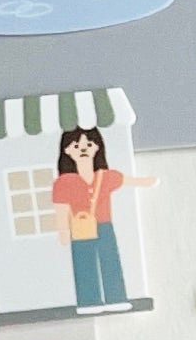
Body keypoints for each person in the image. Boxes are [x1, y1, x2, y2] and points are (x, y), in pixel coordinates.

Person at [49, 125, 139, 311]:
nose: (83, 149)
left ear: (98, 147)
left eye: (88, 144)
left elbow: (130, 181)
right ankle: (89, 301)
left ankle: (116, 298)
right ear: (66, 150)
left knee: (110, 260)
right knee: (84, 263)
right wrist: (63, 231)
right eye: (76, 146)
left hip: (105, 226)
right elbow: (61, 209)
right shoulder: (64, 182)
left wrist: (149, 181)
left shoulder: (105, 176)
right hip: (79, 227)